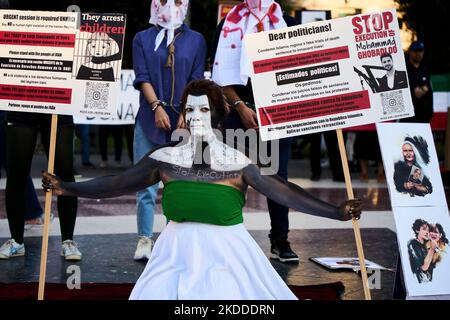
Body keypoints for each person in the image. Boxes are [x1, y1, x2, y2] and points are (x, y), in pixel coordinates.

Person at [42, 79, 362, 300]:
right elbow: (117, 183)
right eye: (190, 109)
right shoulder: (163, 158)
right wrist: (66, 188)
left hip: (230, 254)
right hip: (173, 251)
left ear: (219, 117)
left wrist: (336, 212)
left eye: (204, 110)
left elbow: (284, 192)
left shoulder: (239, 161)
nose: (195, 117)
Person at [211, 0, 301, 263]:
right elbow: (219, 76)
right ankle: (225, 237)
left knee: (277, 179)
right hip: (239, 113)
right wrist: (240, 107)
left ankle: (280, 240)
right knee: (231, 177)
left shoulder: (290, 24)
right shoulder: (227, 24)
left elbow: (300, 73)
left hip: (276, 116)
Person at [131, 0, 207, 260]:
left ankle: (174, 239)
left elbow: (197, 80)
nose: (170, 6)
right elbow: (142, 77)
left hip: (183, 121)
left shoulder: (196, 39)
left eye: (176, 1)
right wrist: (156, 108)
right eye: (164, 0)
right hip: (149, 117)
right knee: (146, 183)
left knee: (180, 181)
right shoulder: (142, 38)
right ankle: (144, 238)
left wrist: (186, 112)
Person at [0, 111, 81, 261]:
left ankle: (68, 241)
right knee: (16, 174)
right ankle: (16, 241)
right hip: (23, 104)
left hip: (58, 104)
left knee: (64, 175)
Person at [400, 41, 434, 123]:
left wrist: (430, 113)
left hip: (423, 116)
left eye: (421, 51)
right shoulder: (403, 69)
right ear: (410, 52)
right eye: (416, 51)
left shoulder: (425, 70)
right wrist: (412, 92)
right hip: (408, 116)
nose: (418, 53)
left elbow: (429, 90)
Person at [408, 219, 436, 283]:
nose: (427, 232)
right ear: (417, 230)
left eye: (428, 230)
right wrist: (432, 249)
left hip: (431, 282)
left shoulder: (427, 245)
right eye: (424, 229)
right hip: (420, 281)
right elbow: (424, 267)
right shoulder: (413, 243)